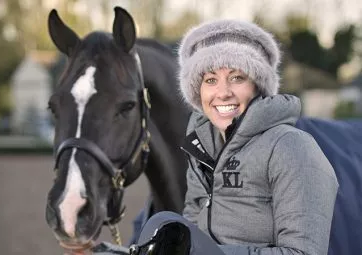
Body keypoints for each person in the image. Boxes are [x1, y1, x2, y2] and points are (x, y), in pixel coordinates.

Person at [95, 19, 339, 255]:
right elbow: (194, 233)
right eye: (210, 80)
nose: (222, 93)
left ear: (258, 85)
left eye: (237, 78)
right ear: (197, 91)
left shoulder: (291, 148)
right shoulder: (201, 149)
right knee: (163, 221)